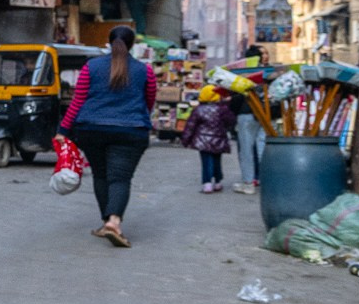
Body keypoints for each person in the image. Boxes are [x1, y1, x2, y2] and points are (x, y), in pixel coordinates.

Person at [58, 23, 156, 247]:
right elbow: (149, 101)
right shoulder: (145, 70)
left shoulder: (91, 67)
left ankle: (107, 222)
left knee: (101, 176)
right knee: (120, 178)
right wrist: (138, 118)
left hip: (91, 129)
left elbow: (78, 100)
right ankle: (113, 222)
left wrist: (63, 130)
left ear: (109, 43)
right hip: (131, 131)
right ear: (132, 45)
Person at [180, 82, 233, 192]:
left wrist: (185, 140)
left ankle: (207, 183)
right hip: (219, 139)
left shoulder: (198, 110)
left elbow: (190, 126)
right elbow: (230, 121)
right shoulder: (222, 109)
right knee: (217, 160)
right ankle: (218, 182)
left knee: (206, 161)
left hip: (203, 140)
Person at [231, 51, 267, 193]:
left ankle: (248, 183)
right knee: (262, 148)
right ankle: (266, 180)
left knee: (246, 150)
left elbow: (236, 99)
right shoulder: (265, 73)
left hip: (246, 114)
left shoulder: (243, 75)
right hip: (263, 114)